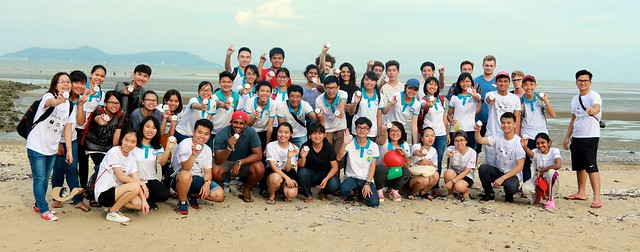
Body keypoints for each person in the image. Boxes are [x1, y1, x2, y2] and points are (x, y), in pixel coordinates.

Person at [28, 72, 75, 221]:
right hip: (36, 144)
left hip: (52, 147)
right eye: (62, 81)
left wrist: (69, 151)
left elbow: (67, 128)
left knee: (46, 177)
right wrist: (57, 101)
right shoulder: (48, 97)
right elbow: (50, 103)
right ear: (55, 84)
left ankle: (38, 204)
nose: (66, 84)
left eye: (68, 81)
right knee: (39, 178)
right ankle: (43, 209)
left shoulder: (70, 105)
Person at [563, 69, 603, 208]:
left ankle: (597, 197)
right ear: (576, 82)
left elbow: (597, 106)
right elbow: (573, 119)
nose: (583, 83)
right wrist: (567, 136)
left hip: (590, 136)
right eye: (580, 80)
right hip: (577, 136)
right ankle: (581, 192)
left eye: (585, 80)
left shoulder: (594, 96)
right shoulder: (575, 99)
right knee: (579, 166)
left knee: (591, 167)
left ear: (590, 82)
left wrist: (593, 110)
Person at [51, 70, 90, 212]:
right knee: (59, 169)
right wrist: (56, 143)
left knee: (72, 169)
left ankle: (77, 200)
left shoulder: (81, 99)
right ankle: (57, 197)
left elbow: (80, 122)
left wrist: (80, 105)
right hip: (56, 139)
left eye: (82, 83)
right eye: (76, 82)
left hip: (72, 139)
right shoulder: (59, 98)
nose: (79, 86)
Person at [94, 130, 149, 223]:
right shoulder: (114, 152)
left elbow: (135, 178)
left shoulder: (131, 158)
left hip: (117, 191)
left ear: (136, 143)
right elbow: (121, 177)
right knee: (135, 187)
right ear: (121, 140)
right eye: (126, 140)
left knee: (139, 204)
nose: (128, 144)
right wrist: (142, 184)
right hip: (103, 193)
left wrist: (144, 200)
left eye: (133, 142)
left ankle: (112, 206)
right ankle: (112, 212)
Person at [171, 119, 224, 215]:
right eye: (199, 132)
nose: (202, 136)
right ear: (193, 132)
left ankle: (192, 195)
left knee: (219, 195)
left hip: (196, 178)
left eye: (206, 134)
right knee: (186, 174)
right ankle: (182, 201)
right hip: (179, 179)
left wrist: (207, 183)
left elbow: (208, 172)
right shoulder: (185, 144)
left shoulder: (207, 150)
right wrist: (193, 155)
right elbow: (185, 168)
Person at [212, 111, 265, 202]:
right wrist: (229, 147)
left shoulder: (251, 132)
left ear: (245, 125)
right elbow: (218, 160)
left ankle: (246, 189)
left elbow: (258, 155)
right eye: (235, 122)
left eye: (241, 123)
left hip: (243, 163)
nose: (238, 126)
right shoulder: (222, 133)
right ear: (231, 122)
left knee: (259, 167)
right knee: (214, 169)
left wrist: (240, 162)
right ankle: (220, 189)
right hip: (226, 162)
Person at [475, 112, 525, 203]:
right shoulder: (498, 136)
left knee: (510, 187)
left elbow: (520, 166)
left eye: (509, 123)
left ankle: (509, 195)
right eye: (503, 123)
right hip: (498, 171)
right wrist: (478, 131)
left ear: (515, 124)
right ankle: (489, 193)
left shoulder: (518, 142)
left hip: (512, 174)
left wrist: (503, 178)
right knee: (483, 168)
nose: (506, 125)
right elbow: (480, 140)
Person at [520, 75, 556, 182]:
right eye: (525, 84)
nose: (528, 87)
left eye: (531, 84)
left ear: (535, 85)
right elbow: (517, 119)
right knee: (526, 162)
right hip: (527, 136)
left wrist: (545, 100)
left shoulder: (540, 100)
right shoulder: (520, 101)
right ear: (522, 86)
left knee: (543, 161)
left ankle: (542, 184)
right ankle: (527, 184)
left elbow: (553, 114)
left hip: (542, 136)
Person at [81, 91, 125, 178]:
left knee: (114, 166)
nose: (114, 106)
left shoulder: (121, 113)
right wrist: (101, 121)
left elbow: (117, 132)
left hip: (108, 147)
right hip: (94, 145)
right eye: (111, 103)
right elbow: (97, 118)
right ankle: (94, 186)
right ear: (105, 103)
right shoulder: (99, 111)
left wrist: (114, 152)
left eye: (117, 103)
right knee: (101, 167)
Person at [337, 117, 380, 207]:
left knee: (374, 203)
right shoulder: (350, 143)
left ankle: (361, 192)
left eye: (365, 128)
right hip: (351, 177)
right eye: (359, 127)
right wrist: (344, 143)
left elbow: (373, 166)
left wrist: (368, 183)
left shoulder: (374, 146)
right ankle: (352, 194)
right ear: (355, 128)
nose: (362, 130)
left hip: (366, 179)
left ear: (369, 130)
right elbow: (338, 158)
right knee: (343, 189)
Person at [134, 116, 173, 210]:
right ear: (142, 127)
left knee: (164, 194)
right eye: (147, 126)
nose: (150, 130)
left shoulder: (157, 147)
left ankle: (146, 199)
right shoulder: (134, 143)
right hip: (135, 180)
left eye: (154, 128)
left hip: (151, 179)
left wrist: (168, 148)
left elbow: (162, 162)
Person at [484, 71, 522, 167]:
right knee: (490, 165)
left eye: (505, 81)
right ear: (496, 83)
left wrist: (516, 138)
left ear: (509, 83)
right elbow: (488, 99)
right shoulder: (491, 94)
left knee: (507, 165)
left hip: (508, 138)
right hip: (492, 134)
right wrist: (491, 100)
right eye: (500, 81)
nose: (502, 83)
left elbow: (517, 119)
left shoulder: (515, 98)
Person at [77, 65, 106, 189]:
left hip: (89, 131)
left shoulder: (101, 94)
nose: (99, 78)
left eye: (102, 76)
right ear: (91, 74)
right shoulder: (81, 88)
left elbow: (98, 111)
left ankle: (89, 187)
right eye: (97, 74)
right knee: (79, 161)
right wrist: (89, 92)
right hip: (75, 128)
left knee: (94, 162)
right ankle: (79, 187)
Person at [297, 123, 340, 203]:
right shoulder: (306, 146)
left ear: (324, 135)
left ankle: (323, 192)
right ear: (309, 135)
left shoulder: (328, 147)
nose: (317, 136)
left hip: (325, 174)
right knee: (302, 172)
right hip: (311, 173)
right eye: (314, 133)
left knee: (334, 185)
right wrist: (303, 157)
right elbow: (300, 166)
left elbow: (335, 167)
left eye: (320, 133)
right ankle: (308, 194)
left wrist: (326, 179)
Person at [521, 133, 561, 210]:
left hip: (551, 182)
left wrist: (542, 170)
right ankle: (539, 196)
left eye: (543, 143)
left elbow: (558, 165)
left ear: (549, 143)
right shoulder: (536, 151)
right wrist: (524, 146)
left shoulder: (554, 151)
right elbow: (531, 154)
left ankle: (550, 199)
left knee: (551, 172)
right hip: (538, 181)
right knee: (525, 189)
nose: (540, 145)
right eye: (538, 143)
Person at [419, 76, 449, 180]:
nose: (433, 87)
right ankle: (426, 181)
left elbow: (444, 118)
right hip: (428, 135)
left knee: (439, 158)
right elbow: (423, 106)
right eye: (430, 84)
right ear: (426, 86)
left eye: (435, 85)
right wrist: (428, 104)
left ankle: (435, 184)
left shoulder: (441, 99)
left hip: (441, 134)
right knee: (426, 157)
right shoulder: (422, 100)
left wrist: (447, 133)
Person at [315, 76, 348, 168]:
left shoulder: (342, 93)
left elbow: (343, 101)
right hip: (327, 129)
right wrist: (323, 132)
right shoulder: (319, 100)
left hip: (340, 128)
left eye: (333, 88)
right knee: (328, 155)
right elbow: (320, 118)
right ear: (324, 88)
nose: (331, 91)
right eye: (328, 88)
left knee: (339, 156)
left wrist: (341, 109)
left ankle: (337, 177)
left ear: (338, 88)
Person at [375, 122, 411, 202]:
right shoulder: (385, 143)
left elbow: (407, 165)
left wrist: (404, 155)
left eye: (398, 131)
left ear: (402, 132)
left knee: (406, 171)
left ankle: (394, 190)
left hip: (395, 174)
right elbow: (384, 135)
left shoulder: (404, 145)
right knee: (381, 168)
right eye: (392, 131)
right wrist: (384, 129)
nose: (395, 133)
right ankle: (379, 190)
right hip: (382, 175)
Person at [264, 123, 299, 204]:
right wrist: (287, 178)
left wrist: (289, 157)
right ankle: (272, 195)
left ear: (291, 134)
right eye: (280, 132)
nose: (283, 135)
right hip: (274, 172)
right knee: (276, 178)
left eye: (286, 132)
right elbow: (273, 166)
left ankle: (282, 190)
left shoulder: (294, 148)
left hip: (288, 172)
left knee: (291, 193)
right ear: (277, 133)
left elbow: (288, 169)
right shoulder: (271, 146)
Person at [447, 73, 482, 150]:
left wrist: (473, 94)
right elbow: (449, 114)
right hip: (456, 130)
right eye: (462, 81)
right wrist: (451, 120)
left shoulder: (476, 96)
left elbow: (478, 99)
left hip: (470, 129)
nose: (465, 83)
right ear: (459, 83)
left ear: (472, 83)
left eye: (468, 81)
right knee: (453, 152)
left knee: (470, 152)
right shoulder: (454, 97)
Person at [381, 78, 421, 144]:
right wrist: (391, 104)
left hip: (400, 131)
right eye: (410, 88)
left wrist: (415, 144)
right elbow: (384, 112)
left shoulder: (417, 104)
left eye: (415, 90)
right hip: (388, 127)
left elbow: (414, 125)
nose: (412, 91)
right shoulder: (396, 96)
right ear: (405, 87)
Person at [442, 130, 477, 201]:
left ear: (466, 141)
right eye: (456, 141)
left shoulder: (472, 152)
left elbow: (467, 171)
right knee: (448, 172)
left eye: (461, 140)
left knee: (459, 186)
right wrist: (449, 154)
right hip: (454, 173)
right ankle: (450, 193)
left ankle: (466, 192)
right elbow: (448, 152)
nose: (459, 143)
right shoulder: (452, 148)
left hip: (467, 176)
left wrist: (452, 182)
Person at [158, 89, 183, 188]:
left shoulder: (178, 113)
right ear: (165, 101)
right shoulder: (159, 109)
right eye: (170, 100)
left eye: (176, 101)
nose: (173, 103)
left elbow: (171, 134)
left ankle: (168, 181)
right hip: (156, 137)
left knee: (171, 155)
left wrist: (173, 123)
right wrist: (166, 118)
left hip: (167, 139)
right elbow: (160, 132)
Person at [348, 71, 381, 141]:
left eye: (372, 80)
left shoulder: (379, 95)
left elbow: (379, 116)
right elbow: (351, 112)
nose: (369, 82)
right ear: (363, 81)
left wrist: (380, 132)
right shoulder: (357, 93)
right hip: (357, 130)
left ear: (375, 82)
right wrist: (355, 102)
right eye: (366, 80)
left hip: (372, 131)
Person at [408, 127, 441, 199]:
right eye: (427, 136)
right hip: (413, 176)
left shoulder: (433, 150)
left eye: (432, 136)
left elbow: (435, 166)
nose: (430, 138)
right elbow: (415, 152)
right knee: (425, 180)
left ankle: (423, 192)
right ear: (422, 138)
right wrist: (419, 153)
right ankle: (412, 192)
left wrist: (428, 162)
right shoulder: (416, 146)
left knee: (436, 175)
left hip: (425, 173)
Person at [474, 55, 497, 157]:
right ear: (483, 65)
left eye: (491, 66)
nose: (488, 68)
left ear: (494, 66)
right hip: (478, 119)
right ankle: (472, 169)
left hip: (493, 121)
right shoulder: (476, 81)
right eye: (486, 65)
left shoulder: (498, 81)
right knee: (475, 148)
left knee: (493, 147)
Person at [245, 81, 276, 152]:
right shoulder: (250, 102)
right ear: (257, 92)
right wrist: (255, 118)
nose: (265, 93)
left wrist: (267, 145)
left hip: (264, 132)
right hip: (251, 132)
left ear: (271, 94)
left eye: (267, 91)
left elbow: (270, 126)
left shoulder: (273, 104)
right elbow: (247, 125)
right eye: (262, 91)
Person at [210, 71, 241, 141]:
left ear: (232, 83)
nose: (226, 84)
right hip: (212, 130)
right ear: (219, 83)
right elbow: (217, 102)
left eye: (229, 82)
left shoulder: (237, 96)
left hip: (227, 131)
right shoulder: (214, 96)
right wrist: (224, 105)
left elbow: (237, 113)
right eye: (224, 82)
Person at [337, 62, 359, 128]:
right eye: (343, 72)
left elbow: (359, 107)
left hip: (351, 120)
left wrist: (352, 106)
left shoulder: (356, 89)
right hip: (337, 119)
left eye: (348, 72)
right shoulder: (337, 87)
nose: (345, 74)